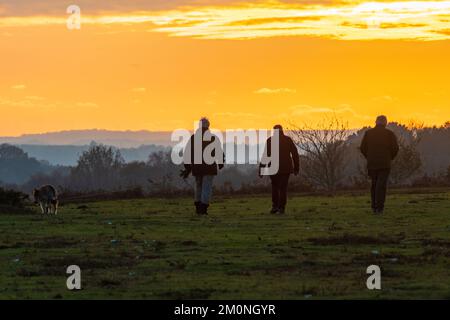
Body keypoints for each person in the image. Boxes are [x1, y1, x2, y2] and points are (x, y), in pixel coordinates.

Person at [180, 118, 224, 215]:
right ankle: (204, 208)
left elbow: (187, 154)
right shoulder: (213, 138)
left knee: (198, 186)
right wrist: (221, 163)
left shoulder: (193, 138)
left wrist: (187, 168)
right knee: (206, 187)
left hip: (197, 167)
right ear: (208, 126)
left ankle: (198, 207)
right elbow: (219, 153)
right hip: (209, 168)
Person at [360, 115, 399, 214]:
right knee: (381, 186)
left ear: (376, 122)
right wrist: (390, 158)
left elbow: (362, 148)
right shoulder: (389, 134)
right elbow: (395, 148)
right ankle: (379, 208)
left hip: (372, 163)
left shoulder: (368, 133)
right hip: (385, 164)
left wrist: (369, 157)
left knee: (374, 184)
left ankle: (374, 207)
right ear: (385, 123)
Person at [260, 125, 299, 214]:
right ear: (282, 130)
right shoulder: (287, 140)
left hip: (273, 168)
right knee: (283, 188)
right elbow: (295, 154)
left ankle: (275, 206)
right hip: (286, 168)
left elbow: (265, 156)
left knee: (275, 187)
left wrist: (261, 169)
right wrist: (296, 167)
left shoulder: (270, 140)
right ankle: (281, 208)